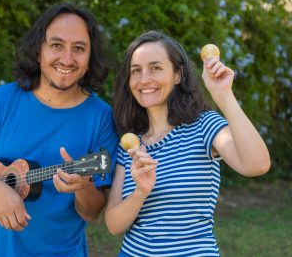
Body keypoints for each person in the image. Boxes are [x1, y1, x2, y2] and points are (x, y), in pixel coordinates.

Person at [0, 3, 119, 257]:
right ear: (38, 50)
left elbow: (91, 212)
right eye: (56, 45)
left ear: (89, 57)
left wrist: (83, 186)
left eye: (79, 49)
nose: (67, 58)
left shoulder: (102, 117)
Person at [105, 31, 271, 257]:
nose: (144, 79)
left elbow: (257, 165)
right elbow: (114, 225)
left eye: (155, 67)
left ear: (177, 75)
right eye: (136, 70)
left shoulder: (204, 126)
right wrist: (140, 192)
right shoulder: (132, 144)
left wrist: (223, 95)